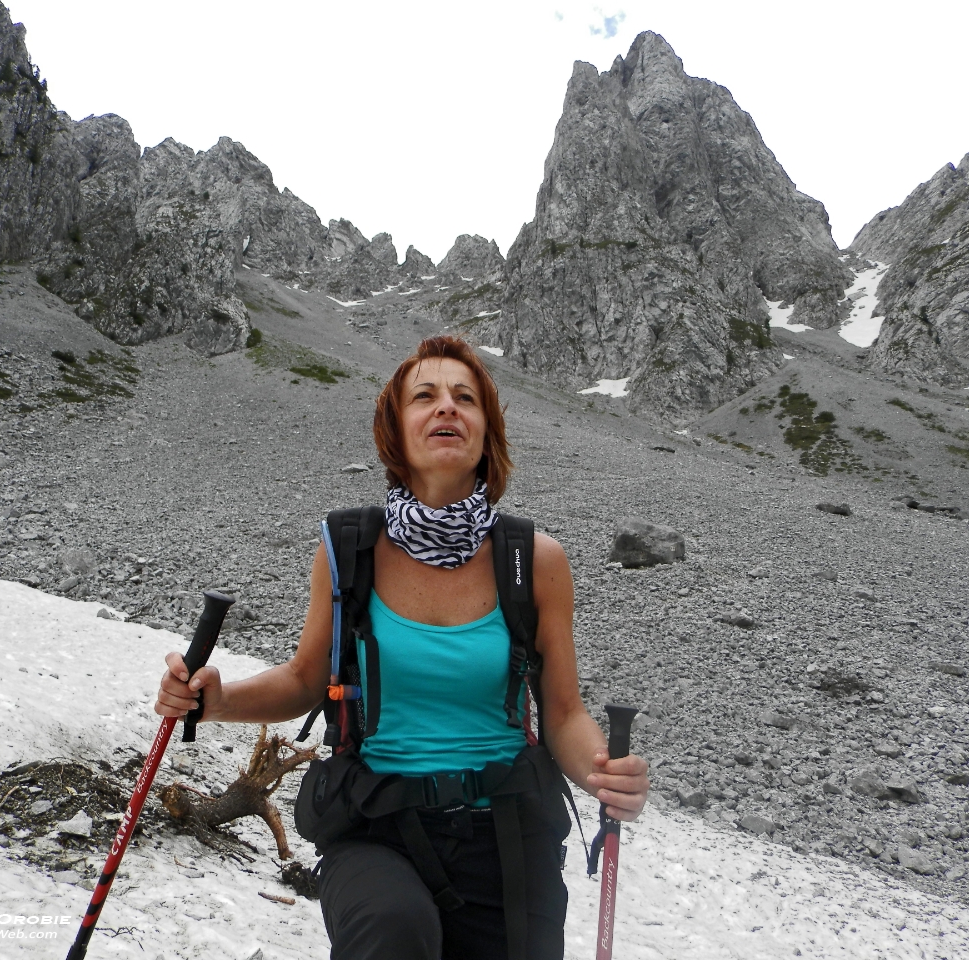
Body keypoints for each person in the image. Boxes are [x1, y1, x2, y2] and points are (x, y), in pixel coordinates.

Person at [155, 335, 650, 959]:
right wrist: (215, 702)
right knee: (392, 931)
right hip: (374, 827)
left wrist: (604, 776)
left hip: (509, 835)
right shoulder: (348, 549)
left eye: (465, 398)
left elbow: (563, 715)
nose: (447, 408)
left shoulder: (534, 561)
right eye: (426, 396)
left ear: (486, 432)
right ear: (397, 430)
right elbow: (309, 678)